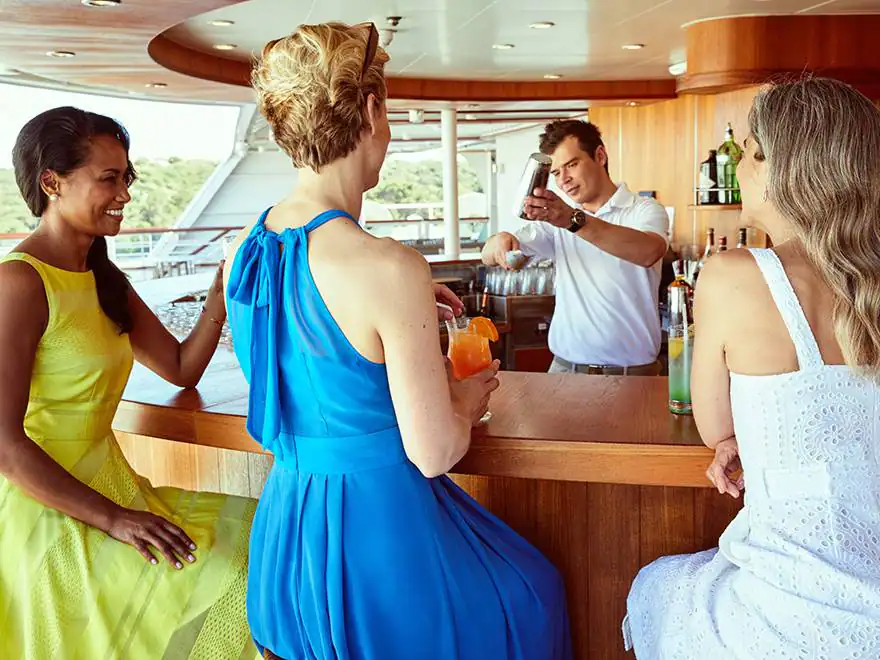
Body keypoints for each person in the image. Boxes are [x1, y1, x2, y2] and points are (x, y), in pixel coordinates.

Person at [224, 22, 571, 660]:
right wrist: (465, 397)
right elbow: (435, 451)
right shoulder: (388, 267)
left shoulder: (244, 247)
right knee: (534, 592)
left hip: (287, 540)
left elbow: (310, 358)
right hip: (379, 542)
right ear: (371, 110)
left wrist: (401, 320)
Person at [624, 77, 880, 658]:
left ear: (779, 167)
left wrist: (737, 439)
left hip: (787, 612)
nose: (739, 167)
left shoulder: (733, 273)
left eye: (749, 152)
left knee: (655, 586)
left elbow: (714, 425)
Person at [0, 107, 257, 658]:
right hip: (50, 510)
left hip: (119, 489)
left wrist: (219, 293)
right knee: (227, 573)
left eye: (127, 178)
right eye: (109, 178)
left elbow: (180, 368)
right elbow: (3, 445)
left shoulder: (103, 278)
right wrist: (115, 519)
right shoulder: (18, 283)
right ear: (52, 183)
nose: (125, 194)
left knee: (265, 532)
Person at [482, 120, 669, 375]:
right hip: (564, 370)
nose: (564, 180)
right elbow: (489, 255)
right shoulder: (556, 220)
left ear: (600, 156)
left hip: (632, 374)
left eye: (571, 165)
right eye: (556, 173)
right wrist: (499, 240)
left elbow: (648, 252)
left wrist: (572, 221)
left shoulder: (643, 210)